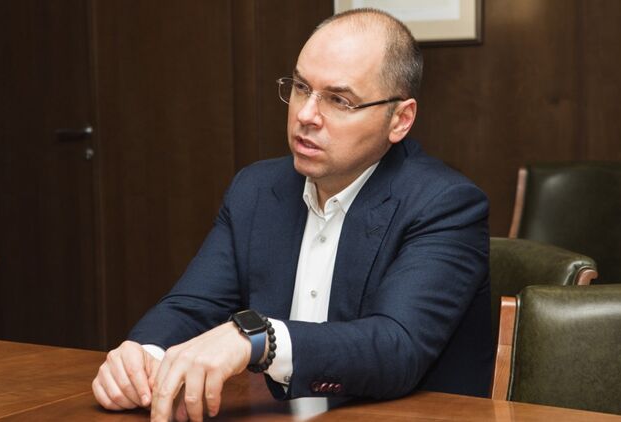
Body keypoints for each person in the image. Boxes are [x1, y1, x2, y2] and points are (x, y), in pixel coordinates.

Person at [93, 8, 492, 422]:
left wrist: (258, 340)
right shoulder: (256, 190)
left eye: (339, 100)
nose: (305, 115)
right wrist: (142, 355)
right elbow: (194, 305)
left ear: (400, 119)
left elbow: (396, 346)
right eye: (301, 88)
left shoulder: (445, 204)